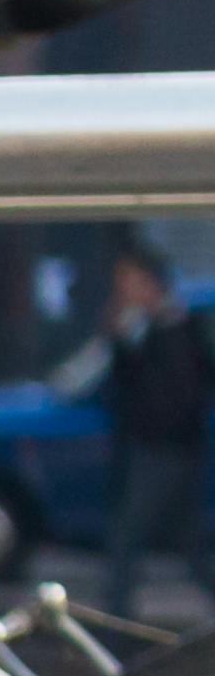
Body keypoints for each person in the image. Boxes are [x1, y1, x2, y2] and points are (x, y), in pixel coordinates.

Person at [96, 243, 211, 617]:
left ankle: (115, 621)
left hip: (167, 451)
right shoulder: (139, 331)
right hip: (148, 448)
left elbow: (175, 395)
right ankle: (116, 618)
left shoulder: (178, 328)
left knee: (130, 539)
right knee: (188, 545)